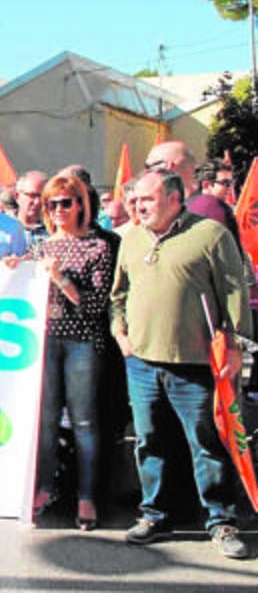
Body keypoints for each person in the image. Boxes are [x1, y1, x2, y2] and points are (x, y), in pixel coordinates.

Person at [111, 168, 251, 559]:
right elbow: (118, 294)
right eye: (135, 199)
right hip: (141, 362)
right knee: (150, 441)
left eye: (147, 199)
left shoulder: (210, 236)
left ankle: (221, 521)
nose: (138, 206)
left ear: (174, 199)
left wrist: (236, 347)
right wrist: (120, 333)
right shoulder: (132, 238)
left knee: (206, 443)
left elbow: (234, 293)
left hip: (195, 365)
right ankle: (155, 514)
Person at [26, 175, 115, 531]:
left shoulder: (98, 247)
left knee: (84, 422)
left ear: (80, 204)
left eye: (65, 202)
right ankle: (46, 487)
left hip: (82, 343)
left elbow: (94, 305)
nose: (58, 210)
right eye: (52, 204)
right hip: (46, 341)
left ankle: (87, 495)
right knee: (45, 421)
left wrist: (61, 279)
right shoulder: (41, 247)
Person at [14, 171, 50, 248]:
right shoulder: (5, 228)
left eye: (42, 196)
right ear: (17, 196)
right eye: (32, 195)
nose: (37, 202)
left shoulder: (53, 230)